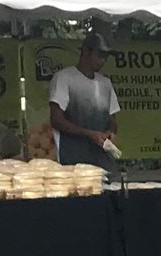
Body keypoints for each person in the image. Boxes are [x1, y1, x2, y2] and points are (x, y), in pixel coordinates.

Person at [47, 32, 121, 168]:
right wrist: (89, 134)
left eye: (106, 57)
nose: (103, 61)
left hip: (102, 159)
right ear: (86, 52)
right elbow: (56, 120)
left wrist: (109, 133)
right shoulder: (64, 78)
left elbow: (112, 121)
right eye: (100, 55)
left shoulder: (106, 83)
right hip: (73, 159)